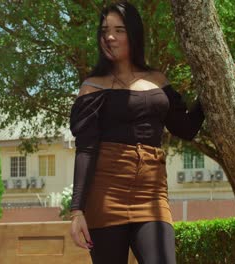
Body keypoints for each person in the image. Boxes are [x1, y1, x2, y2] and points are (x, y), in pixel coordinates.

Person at [68, 1, 204, 263]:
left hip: (151, 194)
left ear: (134, 33)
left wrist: (213, 93)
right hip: (106, 194)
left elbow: (186, 128)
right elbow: (85, 149)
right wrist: (77, 211)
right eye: (105, 30)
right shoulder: (93, 87)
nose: (110, 36)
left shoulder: (157, 79)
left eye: (119, 30)